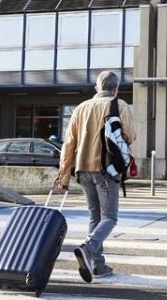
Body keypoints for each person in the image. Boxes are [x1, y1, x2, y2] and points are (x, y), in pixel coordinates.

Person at [56, 71, 135, 281]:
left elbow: (69, 143)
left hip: (82, 169)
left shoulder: (80, 108)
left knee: (95, 216)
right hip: (106, 170)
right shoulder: (120, 105)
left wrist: (64, 176)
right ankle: (89, 248)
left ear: (97, 88)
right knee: (110, 217)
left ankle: (97, 265)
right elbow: (130, 135)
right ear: (116, 88)